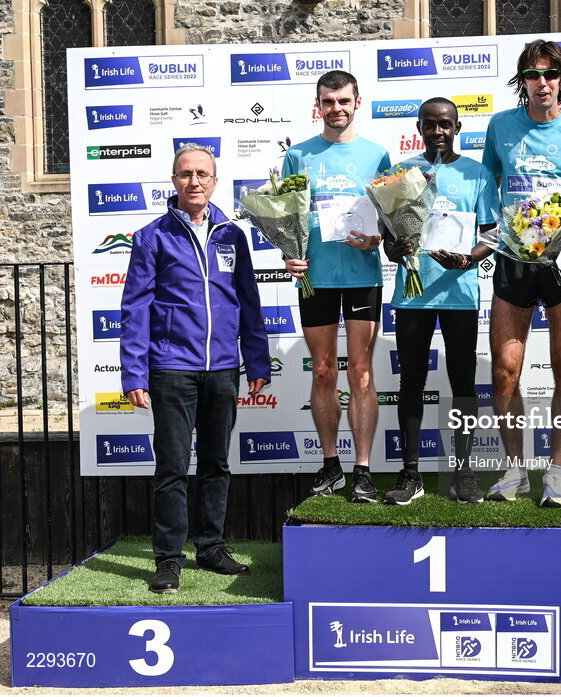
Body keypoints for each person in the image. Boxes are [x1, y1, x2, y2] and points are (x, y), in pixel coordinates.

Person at [121, 143, 270, 593]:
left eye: (202, 174)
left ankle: (211, 547)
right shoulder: (152, 237)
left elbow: (248, 301)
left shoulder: (232, 235)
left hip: (222, 366)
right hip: (171, 367)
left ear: (214, 181)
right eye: (186, 174)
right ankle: (169, 559)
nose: (194, 181)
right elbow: (135, 308)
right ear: (174, 181)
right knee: (171, 467)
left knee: (215, 463)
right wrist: (134, 372)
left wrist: (257, 359)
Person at [480, 39, 561, 508]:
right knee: (504, 371)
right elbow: (486, 183)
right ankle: (515, 470)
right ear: (523, 81)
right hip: (513, 261)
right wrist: (491, 232)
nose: (542, 82)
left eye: (550, 74)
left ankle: (555, 474)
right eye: (533, 74)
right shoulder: (501, 126)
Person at [381, 98, 499, 505]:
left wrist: (467, 260)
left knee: (463, 384)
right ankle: (410, 473)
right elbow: (389, 241)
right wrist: (395, 249)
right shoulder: (401, 173)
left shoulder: (477, 173)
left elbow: (492, 235)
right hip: (413, 294)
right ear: (418, 128)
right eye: (429, 125)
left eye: (445, 125)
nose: (437, 132)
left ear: (457, 127)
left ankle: (462, 472)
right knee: (411, 382)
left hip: (459, 294)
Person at [282, 70, 391, 503]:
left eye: (343, 101)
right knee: (324, 370)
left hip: (362, 275)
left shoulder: (378, 155)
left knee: (361, 371)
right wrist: (288, 254)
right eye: (328, 101)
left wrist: (377, 239)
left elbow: (389, 220)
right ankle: (330, 464)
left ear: (357, 102)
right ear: (318, 105)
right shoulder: (298, 155)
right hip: (316, 276)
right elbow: (286, 216)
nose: (336, 108)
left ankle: (363, 469)